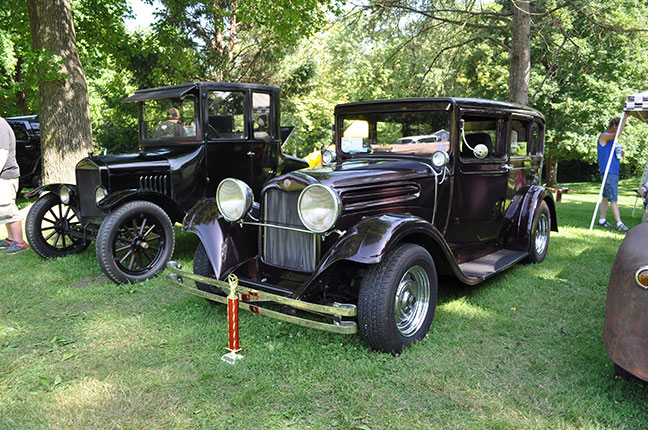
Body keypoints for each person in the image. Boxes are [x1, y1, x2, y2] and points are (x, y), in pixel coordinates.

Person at [0, 116, 28, 254]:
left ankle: (20, 242)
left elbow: (3, 152)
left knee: (8, 208)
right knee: (2, 209)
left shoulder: (0, 125)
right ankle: (11, 239)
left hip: (6, 175)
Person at [597, 117, 629, 233]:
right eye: (621, 126)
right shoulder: (604, 136)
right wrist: (626, 116)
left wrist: (621, 154)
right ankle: (619, 223)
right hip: (609, 172)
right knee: (613, 199)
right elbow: (618, 134)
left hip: (612, 171)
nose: (622, 130)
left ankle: (602, 220)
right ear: (615, 126)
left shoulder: (612, 141)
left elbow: (614, 153)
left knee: (606, 197)